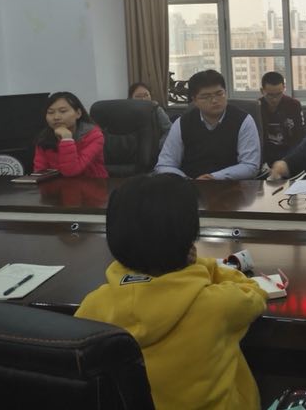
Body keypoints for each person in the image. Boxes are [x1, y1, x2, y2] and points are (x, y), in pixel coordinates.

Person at [75, 174, 268, 410]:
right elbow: (254, 292)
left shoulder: (94, 306)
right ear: (187, 238)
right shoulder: (218, 304)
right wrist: (201, 265)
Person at [154, 70, 260, 180]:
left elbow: (250, 165)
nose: (214, 100)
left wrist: (213, 178)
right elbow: (165, 165)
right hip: (190, 185)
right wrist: (186, 180)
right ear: (194, 100)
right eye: (205, 96)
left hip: (232, 185)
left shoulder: (243, 120)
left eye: (219, 94)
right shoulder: (182, 123)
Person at [33, 91, 108, 178]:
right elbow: (40, 173)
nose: (56, 117)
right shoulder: (44, 138)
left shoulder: (94, 136)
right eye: (50, 112)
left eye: (63, 111)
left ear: (78, 113)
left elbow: (71, 171)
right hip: (57, 185)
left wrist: (66, 139)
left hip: (93, 183)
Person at [258, 71, 304, 167]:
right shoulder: (257, 107)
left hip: (289, 152)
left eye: (279, 94)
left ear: (284, 88)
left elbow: (300, 137)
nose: (275, 99)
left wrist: (288, 161)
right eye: (270, 95)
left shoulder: (293, 105)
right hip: (265, 153)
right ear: (262, 91)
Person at [128, 81, 172, 148]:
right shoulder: (127, 112)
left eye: (146, 95)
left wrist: (159, 146)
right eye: (138, 96)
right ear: (130, 98)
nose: (143, 99)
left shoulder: (157, 110)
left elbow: (169, 130)